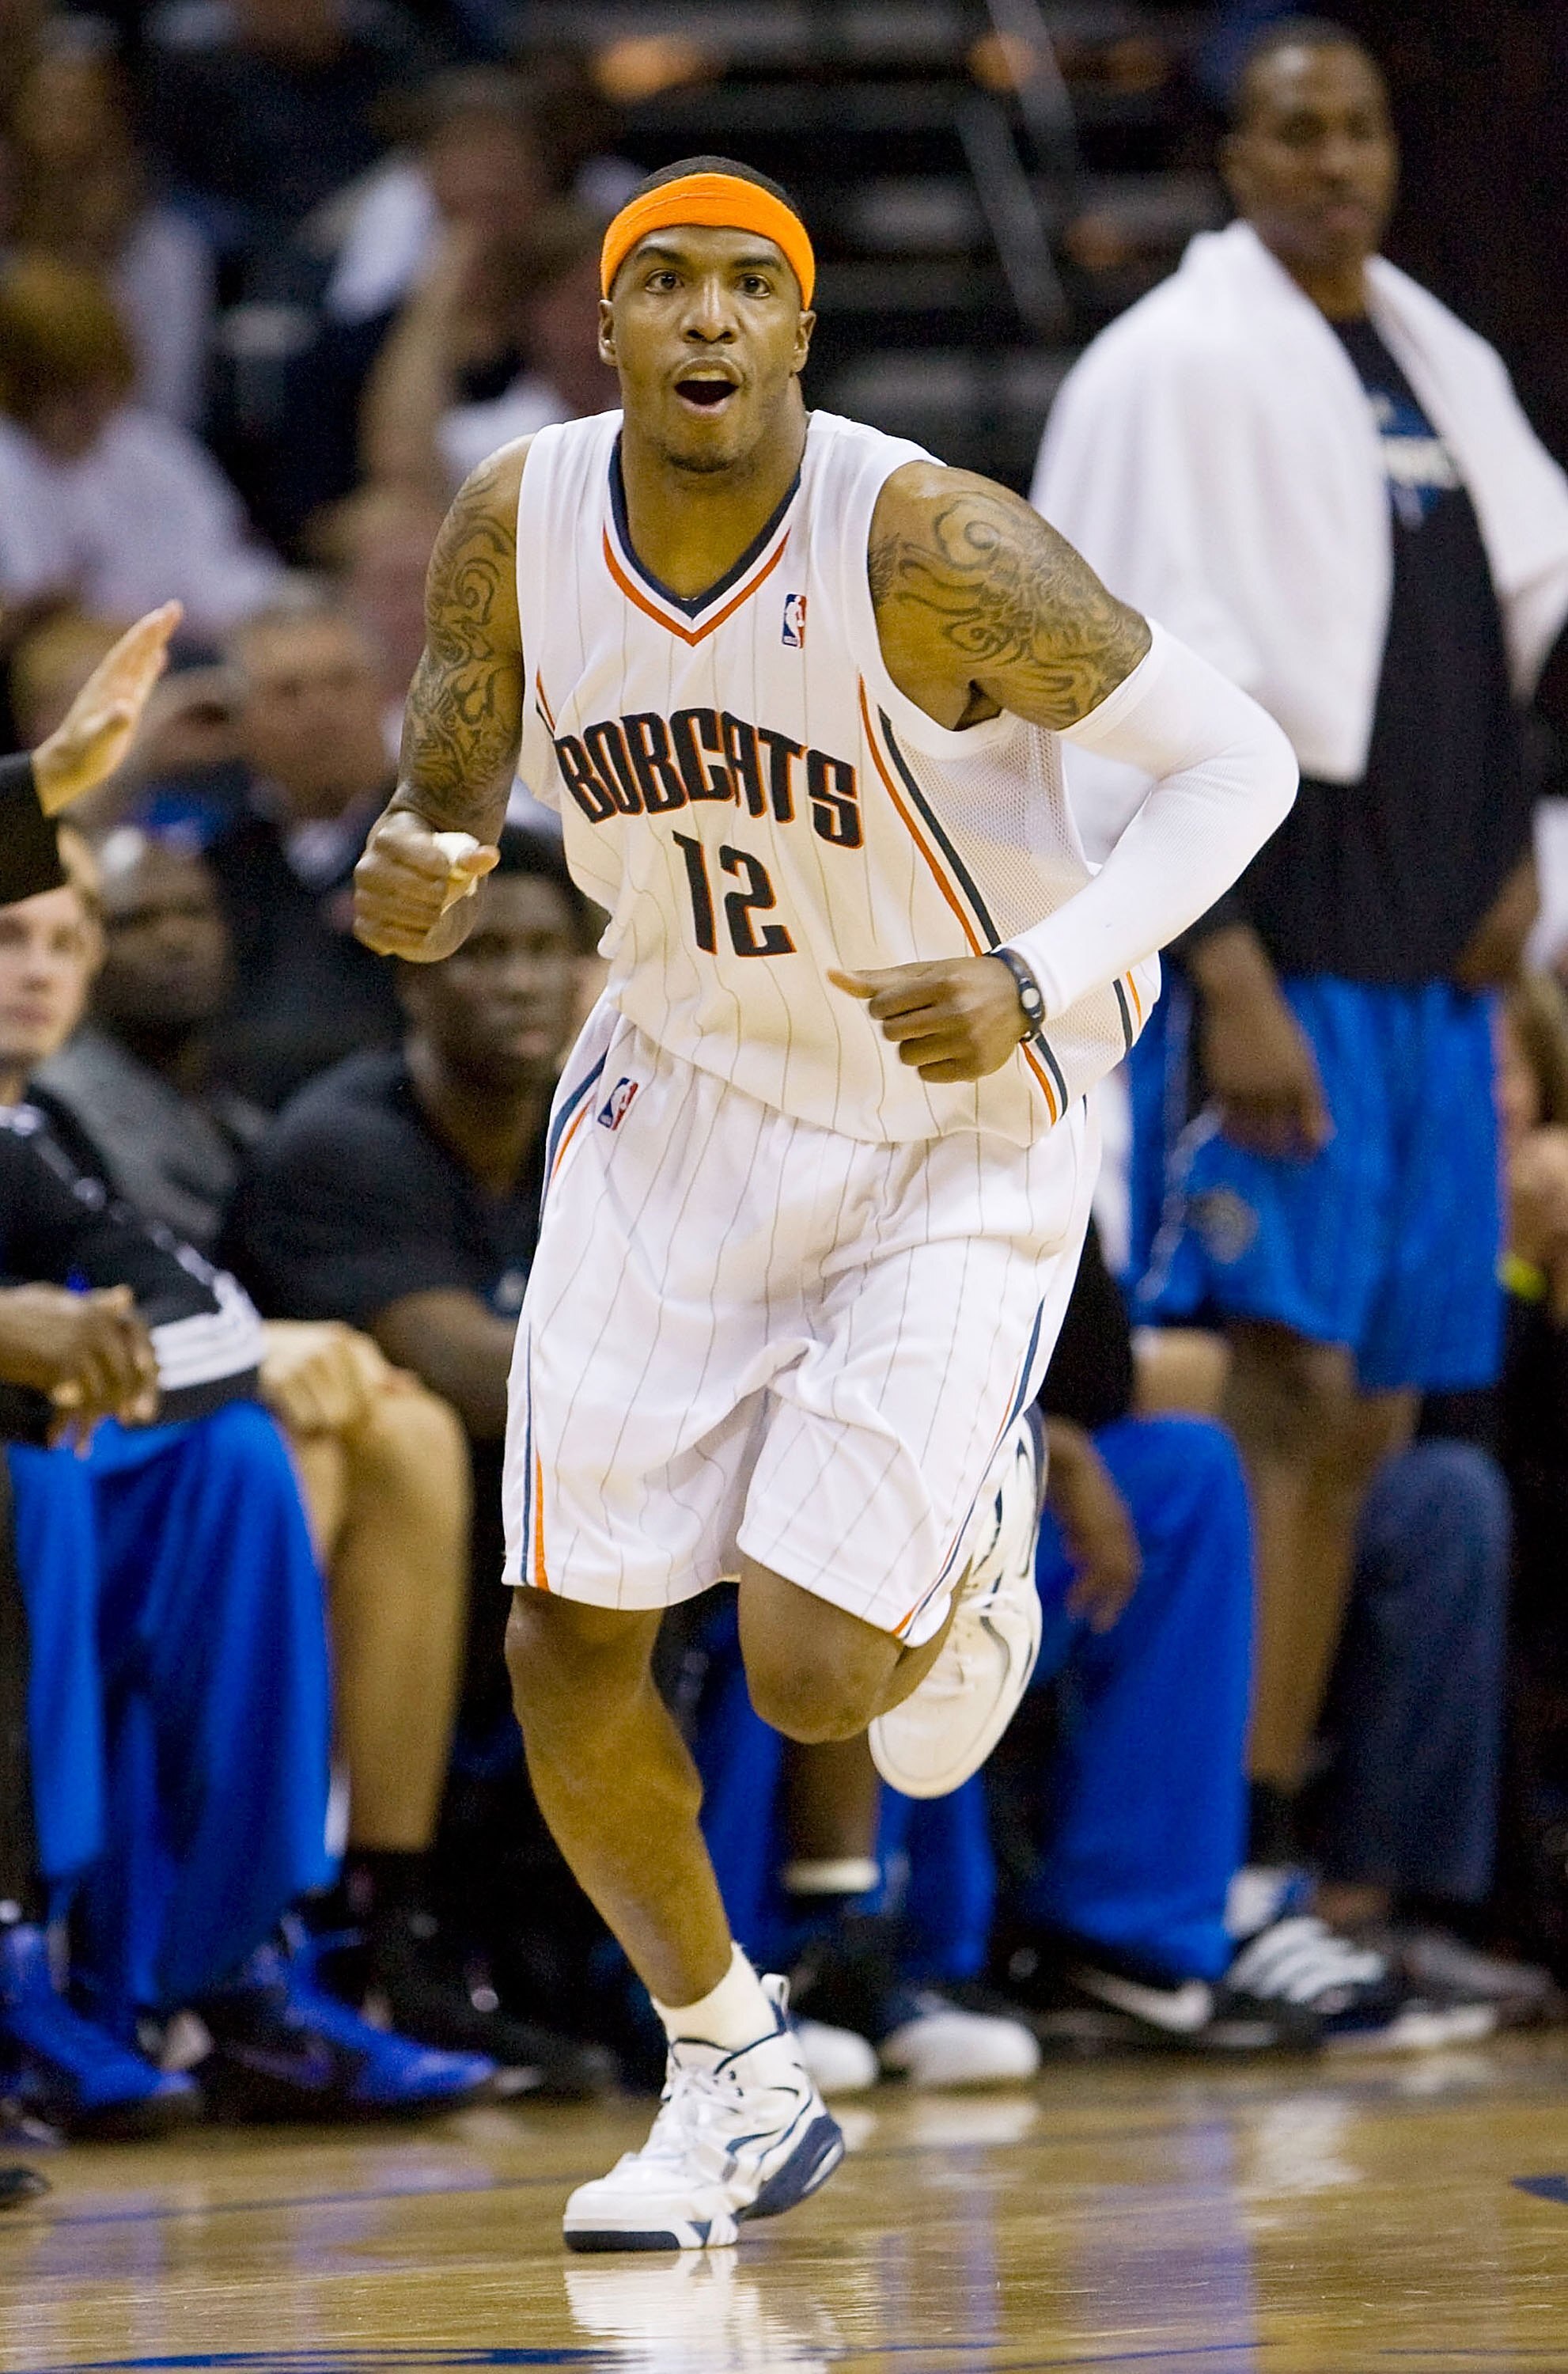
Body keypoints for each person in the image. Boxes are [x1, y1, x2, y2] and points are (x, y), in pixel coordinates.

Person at [351, 157, 1297, 2251]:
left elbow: (1233, 763)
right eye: (660, 284)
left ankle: (967, 1530)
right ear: (604, 331)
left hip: (951, 1114)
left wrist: (1041, 968)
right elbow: (451, 748)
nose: (703, 319)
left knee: (802, 1679)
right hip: (678, 1089)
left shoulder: (931, 542)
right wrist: (416, 847)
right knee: (563, 1634)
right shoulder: (518, 514)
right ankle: (725, 2069)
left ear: (798, 332)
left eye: (747, 287)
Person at [1031, 20, 1568, 1857]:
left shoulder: (1431, 358)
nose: (1337, 159)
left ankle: (1280, 1849)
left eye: (1360, 127)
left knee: (1378, 1420)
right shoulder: (1166, 366)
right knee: (1285, 1387)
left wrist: (1509, 863)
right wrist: (1229, 963)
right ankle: (1193, 1862)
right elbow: (1108, 690)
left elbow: (1492, 641)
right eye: (1296, 131)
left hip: (1430, 965)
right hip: (1277, 953)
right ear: (1231, 161)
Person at [0, 857, 494, 2129]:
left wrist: (114, 1362)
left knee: (249, 1455)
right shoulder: (80, 1110)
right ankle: (39, 1959)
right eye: (11, 937)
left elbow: (196, 1313)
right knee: (53, 1469)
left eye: (64, 938)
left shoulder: (26, 1138)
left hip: (110, 1466)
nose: (40, 968)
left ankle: (255, 1961)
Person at [223, 828, 611, 2092]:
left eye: (549, 950)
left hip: (538, 1513)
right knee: (465, 1463)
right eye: (483, 949)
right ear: (411, 979)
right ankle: (381, 1945)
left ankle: (799, 1940)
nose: (519, 981)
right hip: (339, 1523)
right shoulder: (343, 1143)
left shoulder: (604, 1131)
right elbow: (479, 1378)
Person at [0, 257, 284, 639]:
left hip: (182, 646)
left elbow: (221, 567)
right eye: (68, 394)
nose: (90, 410)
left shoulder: (150, 448)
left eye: (100, 387)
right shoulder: (10, 463)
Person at [203, 597, 406, 1106]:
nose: (320, 712)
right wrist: (133, 766)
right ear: (240, 720)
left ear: (385, 697)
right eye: (287, 693)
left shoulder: (462, 844)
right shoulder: (208, 874)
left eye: (341, 683)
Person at [9, 21, 214, 427]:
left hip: (128, 446)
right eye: (47, 108)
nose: (63, 128)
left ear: (115, 118)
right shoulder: (10, 239)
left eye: (80, 107)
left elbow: (170, 401)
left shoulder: (165, 250)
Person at [0, 602, 180, 908]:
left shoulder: (187, 816)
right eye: (88, 699)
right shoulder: (26, 836)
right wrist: (63, 767)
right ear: (33, 718)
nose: (114, 718)